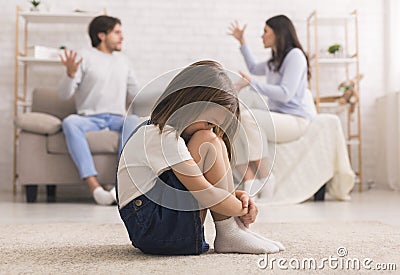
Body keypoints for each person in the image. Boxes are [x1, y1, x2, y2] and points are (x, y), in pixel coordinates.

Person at [117, 60, 284, 255]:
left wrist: (236, 199)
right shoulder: (161, 137)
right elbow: (206, 193)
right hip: (152, 227)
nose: (208, 128)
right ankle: (230, 232)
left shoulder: (164, 133)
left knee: (215, 141)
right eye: (208, 122)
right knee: (208, 142)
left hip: (154, 220)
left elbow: (207, 188)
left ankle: (233, 231)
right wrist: (242, 209)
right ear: (189, 103)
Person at [228, 15, 316, 199]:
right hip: (277, 118)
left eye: (265, 31)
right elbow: (253, 67)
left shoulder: (295, 56)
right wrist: (242, 41)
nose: (262, 36)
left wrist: (252, 84)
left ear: (278, 33)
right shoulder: (274, 61)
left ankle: (266, 177)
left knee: (248, 117)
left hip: (295, 120)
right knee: (234, 117)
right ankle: (249, 179)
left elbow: (286, 93)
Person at [58, 15, 140, 205]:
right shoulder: (84, 57)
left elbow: (137, 93)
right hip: (90, 118)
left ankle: (119, 186)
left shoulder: (124, 61)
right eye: (117, 32)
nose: (122, 37)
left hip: (117, 118)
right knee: (70, 122)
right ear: (102, 35)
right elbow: (64, 94)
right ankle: (95, 188)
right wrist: (70, 75)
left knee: (134, 120)